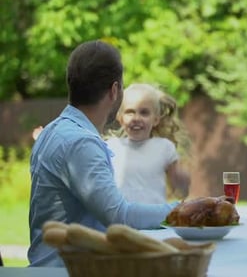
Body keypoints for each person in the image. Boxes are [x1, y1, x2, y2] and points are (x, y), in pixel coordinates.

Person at [28, 40, 177, 267]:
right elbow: (119, 216)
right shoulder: (80, 143)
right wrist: (181, 211)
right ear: (114, 90)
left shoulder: (53, 130)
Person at [106, 83, 191, 204]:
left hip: (154, 218)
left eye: (144, 113)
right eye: (130, 112)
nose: (136, 118)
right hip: (121, 219)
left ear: (156, 119)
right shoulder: (111, 147)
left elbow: (180, 188)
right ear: (120, 118)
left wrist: (182, 180)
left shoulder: (164, 147)